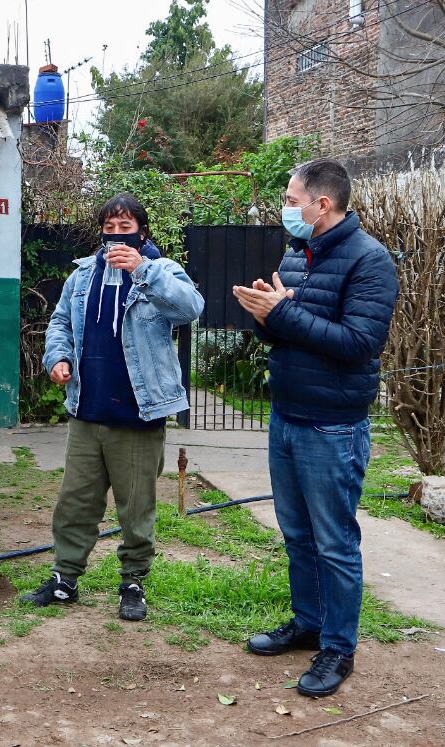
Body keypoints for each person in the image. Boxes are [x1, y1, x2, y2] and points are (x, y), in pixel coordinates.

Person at [234, 159, 398, 698]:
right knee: (298, 536)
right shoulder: (296, 256)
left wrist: (281, 314)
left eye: (291, 198)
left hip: (333, 427)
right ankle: (307, 625)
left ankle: (337, 648)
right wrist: (265, 316)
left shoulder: (370, 261)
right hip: (287, 415)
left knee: (333, 543)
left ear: (321, 205)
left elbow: (358, 344)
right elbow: (290, 336)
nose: (287, 208)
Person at [23, 193, 204, 621]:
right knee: (76, 502)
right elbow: (61, 322)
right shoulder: (83, 276)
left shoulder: (162, 271)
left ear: (142, 231)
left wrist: (141, 270)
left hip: (139, 414)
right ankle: (65, 579)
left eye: (126, 228)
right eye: (110, 228)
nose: (117, 236)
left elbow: (190, 309)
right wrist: (59, 358)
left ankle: (132, 583)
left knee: (136, 507)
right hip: (87, 409)